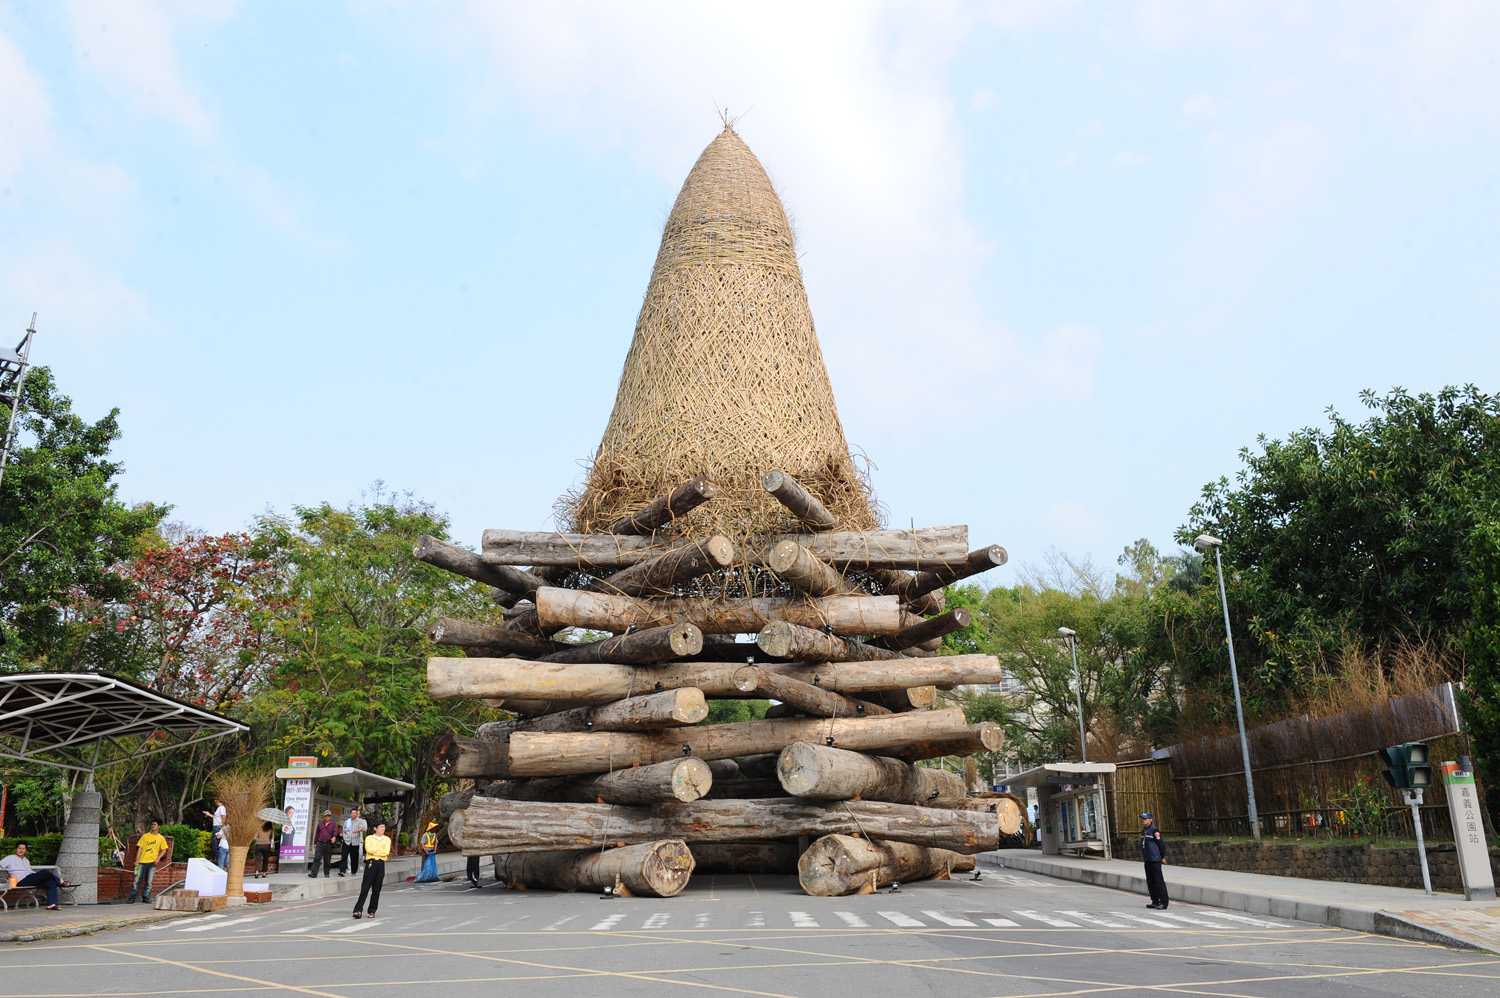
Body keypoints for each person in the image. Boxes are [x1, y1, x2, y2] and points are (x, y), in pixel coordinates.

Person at [1, 842, 66, 910]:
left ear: (26, 850)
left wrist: (37, 875)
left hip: (30, 878)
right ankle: (60, 881)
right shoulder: (10, 858)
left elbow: (29, 871)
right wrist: (8, 875)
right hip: (21, 881)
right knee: (45, 872)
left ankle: (52, 904)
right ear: (16, 849)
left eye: (23, 849)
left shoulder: (26, 860)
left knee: (51, 882)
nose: (21, 850)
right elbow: (1, 865)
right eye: (19, 848)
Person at [352, 819, 391, 919]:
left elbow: (386, 852)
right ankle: (358, 910)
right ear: (375, 828)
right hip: (371, 863)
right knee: (365, 888)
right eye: (381, 827)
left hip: (381, 864)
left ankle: (372, 911)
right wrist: (378, 852)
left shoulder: (387, 839)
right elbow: (369, 850)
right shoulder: (369, 838)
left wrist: (376, 852)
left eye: (384, 827)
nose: (383, 829)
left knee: (376, 889)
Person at [127, 820, 169, 904]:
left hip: (152, 863)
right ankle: (132, 898)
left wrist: (158, 858)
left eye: (155, 824)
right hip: (142, 862)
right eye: (152, 824)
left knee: (149, 882)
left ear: (158, 827)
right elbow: (140, 848)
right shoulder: (145, 836)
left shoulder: (161, 838)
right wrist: (137, 860)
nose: (153, 826)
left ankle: (146, 897)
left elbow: (164, 850)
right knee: (136, 881)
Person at [1140, 811, 1169, 909]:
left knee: (1158, 881)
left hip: (1155, 860)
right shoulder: (1144, 831)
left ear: (1150, 820)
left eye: (1145, 819)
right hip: (1147, 859)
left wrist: (1162, 857)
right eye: (1142, 819)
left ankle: (1164, 902)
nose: (1143, 821)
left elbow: (1161, 844)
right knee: (1150, 881)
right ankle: (1155, 901)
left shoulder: (1154, 830)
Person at [308, 810, 338, 878]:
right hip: (320, 843)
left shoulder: (333, 824)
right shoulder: (320, 824)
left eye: (328, 816)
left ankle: (326, 873)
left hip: (328, 844)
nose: (327, 817)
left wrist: (334, 837)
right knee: (317, 858)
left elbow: (335, 831)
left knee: (327, 860)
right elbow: (317, 833)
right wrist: (315, 842)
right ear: (324, 816)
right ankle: (313, 874)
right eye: (326, 816)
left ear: (330, 817)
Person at [340, 808, 367, 879]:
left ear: (357, 814)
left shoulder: (360, 821)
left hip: (355, 842)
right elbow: (344, 830)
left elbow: (365, 828)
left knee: (354, 857)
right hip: (346, 841)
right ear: (350, 814)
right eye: (352, 813)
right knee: (344, 856)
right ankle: (342, 871)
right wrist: (344, 837)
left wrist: (357, 830)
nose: (353, 814)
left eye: (355, 813)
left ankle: (354, 871)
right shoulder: (347, 821)